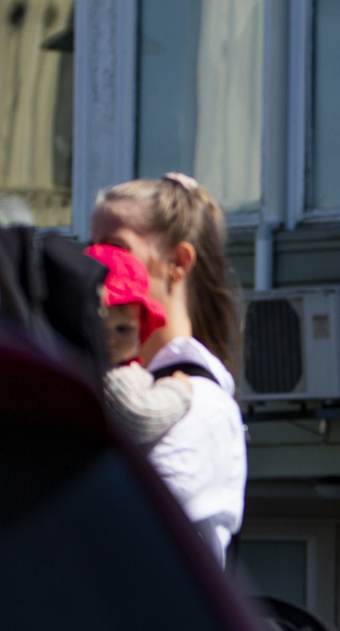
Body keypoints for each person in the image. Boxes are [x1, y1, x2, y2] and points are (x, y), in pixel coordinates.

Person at [91, 174, 245, 561]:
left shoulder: (203, 407)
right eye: (91, 247)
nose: (96, 264)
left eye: (116, 247)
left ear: (177, 262)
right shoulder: (113, 376)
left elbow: (123, 533)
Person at [88, 243, 195, 453]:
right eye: (98, 329)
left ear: (142, 327)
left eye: (123, 329)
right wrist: (178, 391)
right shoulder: (112, 378)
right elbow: (140, 418)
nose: (110, 340)